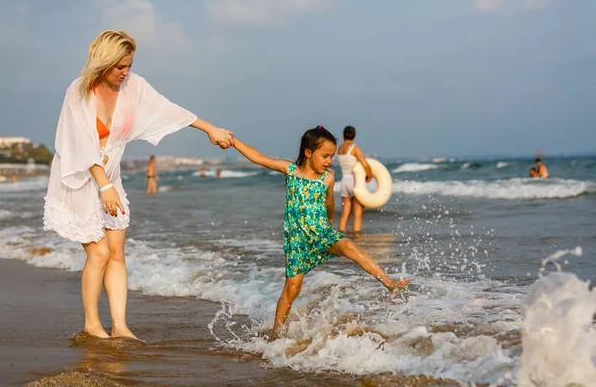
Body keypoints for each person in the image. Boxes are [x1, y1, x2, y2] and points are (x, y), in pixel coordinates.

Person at [43, 30, 233, 340]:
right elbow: (80, 143)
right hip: (79, 177)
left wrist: (210, 129)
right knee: (100, 254)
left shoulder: (134, 86)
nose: (126, 73)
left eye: (129, 65)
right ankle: (93, 324)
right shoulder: (78, 91)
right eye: (120, 67)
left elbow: (166, 108)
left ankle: (120, 326)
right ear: (103, 62)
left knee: (117, 252)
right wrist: (104, 187)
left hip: (110, 176)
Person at [232, 125, 410, 339]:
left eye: (331, 156)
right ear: (308, 153)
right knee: (292, 290)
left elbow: (329, 202)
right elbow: (258, 157)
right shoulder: (290, 170)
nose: (329, 161)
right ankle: (275, 333)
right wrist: (233, 141)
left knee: (348, 246)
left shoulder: (327, 178)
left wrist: (330, 225)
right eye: (325, 155)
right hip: (297, 242)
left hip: (321, 233)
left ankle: (388, 282)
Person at [337, 126, 372, 235]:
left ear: (343, 135)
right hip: (354, 181)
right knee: (357, 214)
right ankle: (357, 238)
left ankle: (341, 237)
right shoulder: (354, 147)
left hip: (344, 182)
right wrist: (369, 175)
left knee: (344, 214)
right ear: (354, 135)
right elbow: (365, 164)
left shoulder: (340, 149)